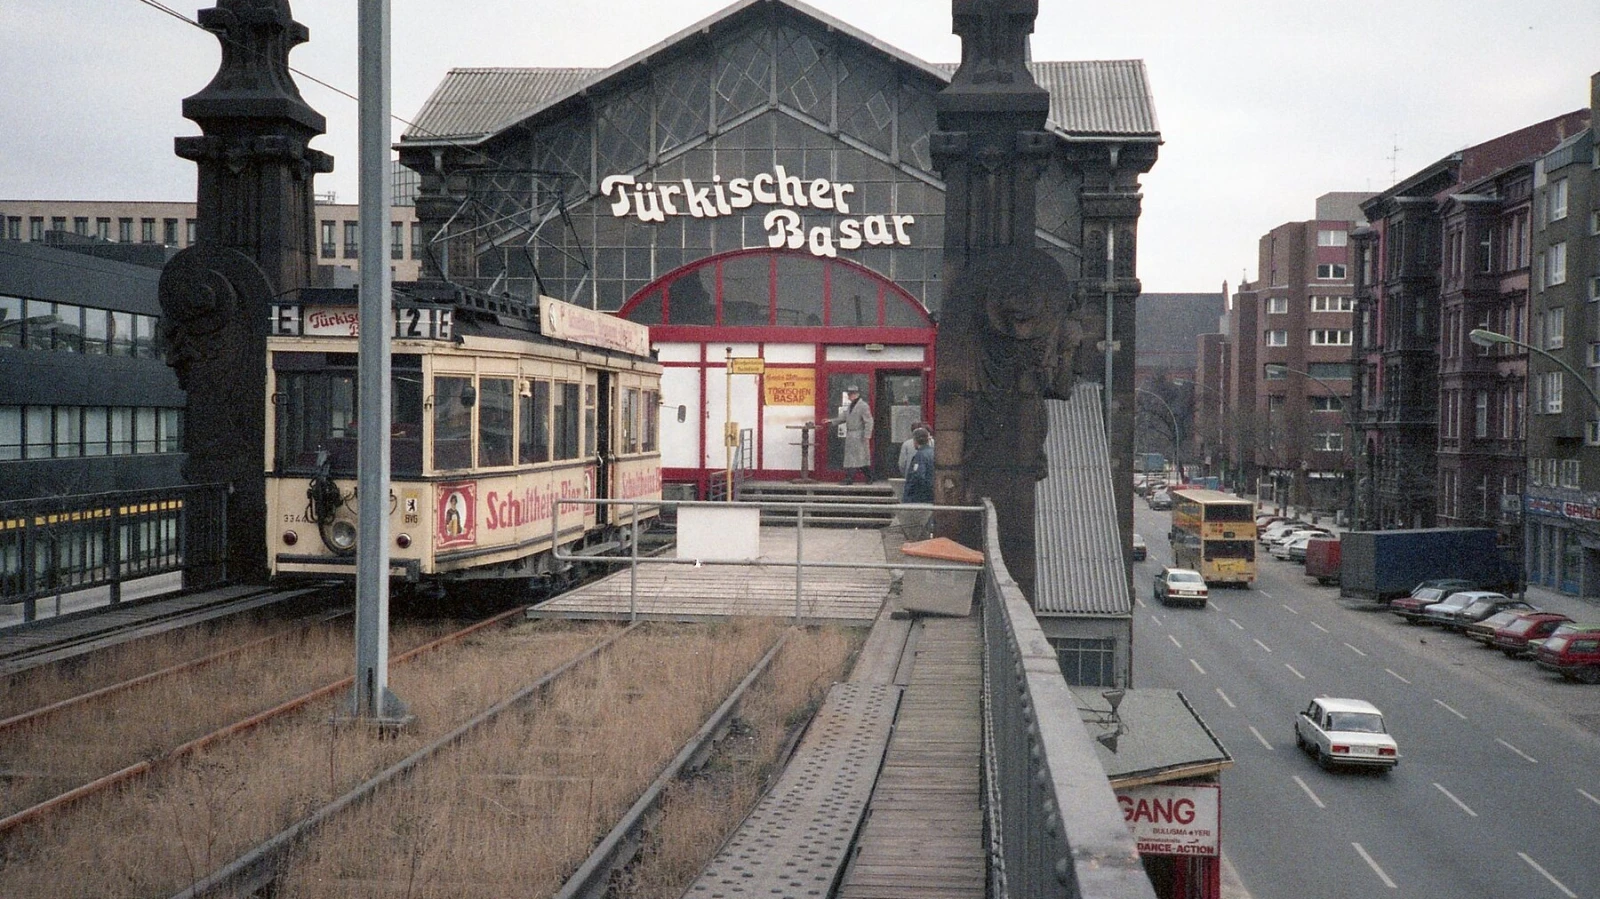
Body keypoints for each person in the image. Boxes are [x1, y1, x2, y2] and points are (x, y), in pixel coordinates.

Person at [821, 385, 873, 484]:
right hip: (851, 435)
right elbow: (844, 417)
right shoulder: (851, 406)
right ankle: (867, 477)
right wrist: (831, 421)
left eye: (851, 394)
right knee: (856, 458)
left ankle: (851, 479)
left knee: (858, 457)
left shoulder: (863, 406)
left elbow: (869, 421)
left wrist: (867, 435)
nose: (849, 396)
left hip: (859, 435)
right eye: (849, 394)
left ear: (856, 394)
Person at [900, 428, 935, 539]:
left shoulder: (920, 455)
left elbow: (918, 475)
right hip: (930, 494)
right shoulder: (932, 452)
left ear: (915, 440)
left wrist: (910, 492)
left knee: (918, 526)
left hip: (919, 496)